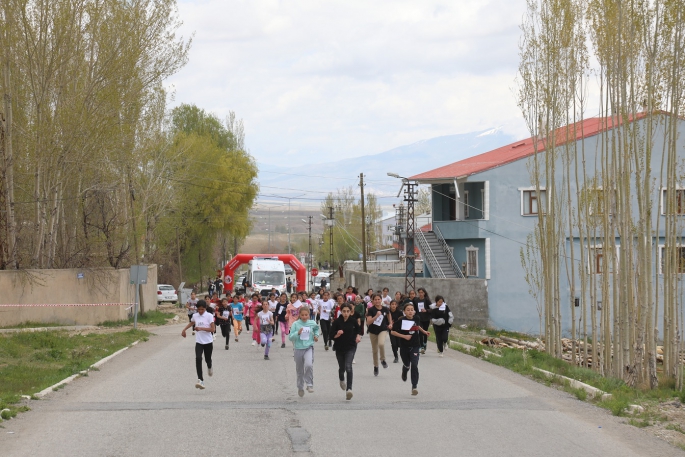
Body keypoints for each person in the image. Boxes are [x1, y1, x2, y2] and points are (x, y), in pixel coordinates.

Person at [391, 302, 429, 396]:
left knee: (414, 365)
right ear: (404, 312)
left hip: (415, 346)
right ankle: (405, 369)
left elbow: (417, 326)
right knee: (407, 364)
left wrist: (424, 331)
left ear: (414, 311)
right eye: (408, 310)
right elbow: (393, 332)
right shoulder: (400, 321)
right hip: (404, 346)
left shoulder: (417, 318)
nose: (410, 312)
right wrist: (404, 336)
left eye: (412, 310)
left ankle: (414, 386)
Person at [181, 300, 215, 390]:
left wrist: (201, 328)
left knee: (208, 359)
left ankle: (209, 366)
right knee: (198, 358)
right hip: (199, 341)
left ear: (205, 308)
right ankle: (200, 380)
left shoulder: (209, 316)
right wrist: (184, 330)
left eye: (202, 309)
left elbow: (212, 329)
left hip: (208, 341)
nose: (200, 311)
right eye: (199, 309)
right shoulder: (195, 316)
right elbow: (192, 322)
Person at [330, 303, 362, 400]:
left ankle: (349, 390)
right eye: (344, 311)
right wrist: (337, 334)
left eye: (348, 311)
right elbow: (330, 336)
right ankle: (341, 379)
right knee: (342, 368)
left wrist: (358, 336)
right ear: (341, 311)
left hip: (351, 347)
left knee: (349, 367)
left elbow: (358, 330)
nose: (346, 313)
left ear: (350, 312)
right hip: (339, 348)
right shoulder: (336, 322)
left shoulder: (353, 321)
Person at [288, 306, 320, 397]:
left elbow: (316, 329)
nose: (304, 317)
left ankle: (309, 384)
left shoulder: (312, 323)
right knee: (300, 369)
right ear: (299, 315)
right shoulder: (295, 324)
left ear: (309, 315)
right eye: (302, 315)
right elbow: (290, 337)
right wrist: (298, 333)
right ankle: (300, 387)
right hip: (298, 348)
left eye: (306, 315)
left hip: (308, 347)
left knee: (309, 365)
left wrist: (316, 336)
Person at [366, 294, 390, 376]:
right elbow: (368, 322)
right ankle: (376, 366)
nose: (377, 301)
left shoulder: (385, 308)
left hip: (382, 330)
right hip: (373, 331)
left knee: (381, 344)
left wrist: (390, 323)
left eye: (378, 299)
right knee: (375, 350)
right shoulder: (371, 310)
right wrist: (376, 316)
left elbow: (388, 314)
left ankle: (383, 360)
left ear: (381, 300)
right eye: (375, 299)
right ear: (372, 301)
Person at [413, 288, 432, 354]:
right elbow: (414, 308)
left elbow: (431, 309)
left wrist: (426, 310)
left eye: (422, 292)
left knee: (425, 331)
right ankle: (421, 346)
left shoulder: (426, 300)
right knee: (420, 332)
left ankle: (425, 343)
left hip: (426, 318)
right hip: (419, 318)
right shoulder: (416, 300)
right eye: (419, 292)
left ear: (424, 293)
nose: (420, 294)